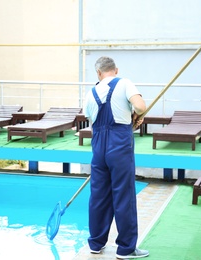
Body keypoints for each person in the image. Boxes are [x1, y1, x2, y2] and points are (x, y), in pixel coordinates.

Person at [83, 56, 149, 259]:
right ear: (116, 70)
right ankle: (126, 249)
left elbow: (92, 121)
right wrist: (138, 115)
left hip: (98, 147)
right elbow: (140, 106)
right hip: (119, 144)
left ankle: (96, 243)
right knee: (123, 195)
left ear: (98, 73)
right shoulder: (124, 83)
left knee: (99, 196)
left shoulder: (90, 93)